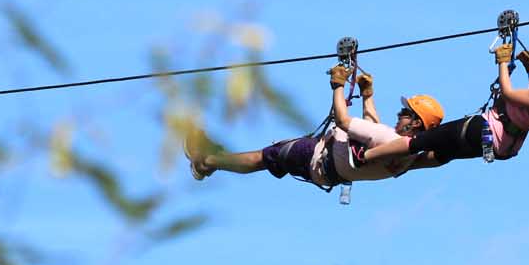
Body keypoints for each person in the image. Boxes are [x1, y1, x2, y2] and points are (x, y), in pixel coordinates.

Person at [185, 63, 445, 187]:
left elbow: (344, 121)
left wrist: (338, 87)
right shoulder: (407, 156)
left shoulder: (389, 140)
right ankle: (214, 160)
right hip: (327, 168)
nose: (400, 114)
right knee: (264, 160)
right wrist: (368, 96)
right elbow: (373, 128)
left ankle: (207, 162)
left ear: (415, 124)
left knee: (262, 158)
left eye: (405, 112)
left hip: (315, 156)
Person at [358, 44, 529, 168]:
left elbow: (509, 94)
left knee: (421, 141)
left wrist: (502, 63)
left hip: (485, 128)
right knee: (444, 153)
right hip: (499, 145)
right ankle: (402, 167)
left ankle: (364, 158)